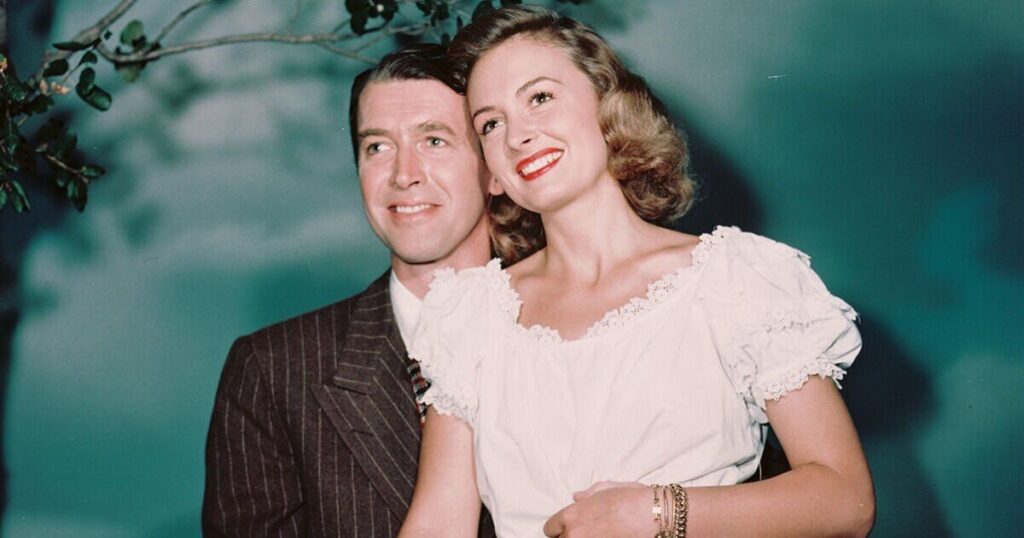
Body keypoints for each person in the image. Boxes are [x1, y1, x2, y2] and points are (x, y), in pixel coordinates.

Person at [399, 6, 875, 538]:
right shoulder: (470, 317)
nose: (518, 136)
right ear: (491, 173)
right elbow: (439, 523)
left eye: (540, 98)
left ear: (608, 104)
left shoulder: (733, 279)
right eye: (491, 124)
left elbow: (846, 500)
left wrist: (655, 512)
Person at [201, 44, 498, 536]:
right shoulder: (274, 371)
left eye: (434, 140)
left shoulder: (576, 332)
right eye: (377, 147)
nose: (404, 174)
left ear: (494, 169)